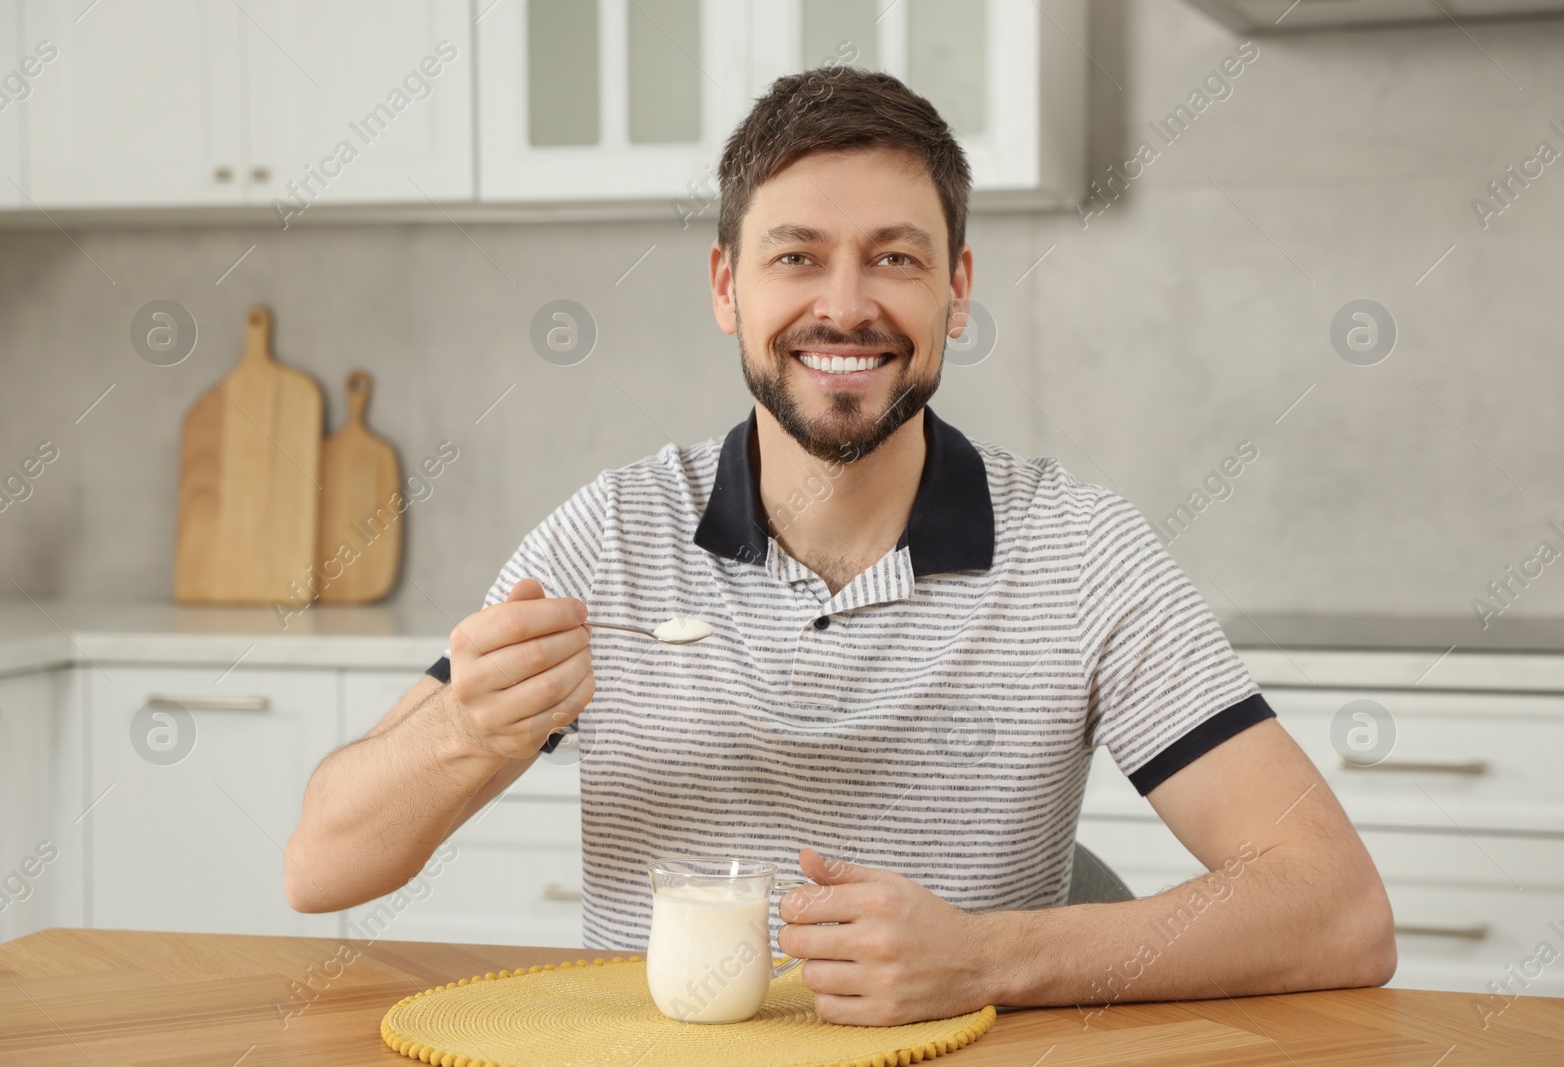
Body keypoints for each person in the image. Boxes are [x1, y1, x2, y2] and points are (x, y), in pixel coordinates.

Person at [285, 66, 1395, 1026]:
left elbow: (1336, 908)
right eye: (797, 257)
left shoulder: (1080, 551)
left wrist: (991, 957)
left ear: (956, 292)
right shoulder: (610, 535)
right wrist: (464, 733)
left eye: (896, 260)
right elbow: (322, 865)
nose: (846, 306)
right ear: (728, 288)